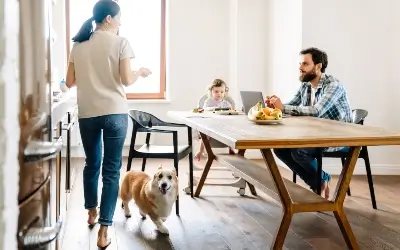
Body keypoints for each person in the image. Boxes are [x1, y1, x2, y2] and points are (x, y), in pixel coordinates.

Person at [65, 1, 151, 248]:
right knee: (111, 171)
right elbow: (126, 79)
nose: (122, 22)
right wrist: (141, 72)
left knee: (92, 164)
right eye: (120, 17)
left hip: (88, 113)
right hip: (115, 112)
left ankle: (91, 212)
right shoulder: (121, 43)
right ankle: (104, 230)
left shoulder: (78, 45)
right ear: (110, 19)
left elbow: (70, 81)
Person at [265, 47, 352, 199]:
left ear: (318, 66)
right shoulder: (306, 85)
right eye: (300, 64)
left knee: (299, 151)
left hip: (340, 137)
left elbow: (317, 110)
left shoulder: (333, 86)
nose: (300, 68)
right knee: (279, 148)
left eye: (305, 64)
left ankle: (320, 180)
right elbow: (291, 105)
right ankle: (319, 181)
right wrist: (275, 106)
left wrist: (283, 107)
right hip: (317, 134)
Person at [194, 79, 233, 161]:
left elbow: (231, 111)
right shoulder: (208, 101)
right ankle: (200, 151)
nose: (219, 94)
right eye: (216, 91)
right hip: (211, 125)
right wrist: (214, 108)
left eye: (222, 92)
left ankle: (232, 149)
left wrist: (230, 110)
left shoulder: (226, 103)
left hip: (223, 125)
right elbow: (205, 110)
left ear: (225, 92)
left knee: (231, 132)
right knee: (205, 133)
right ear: (211, 92)